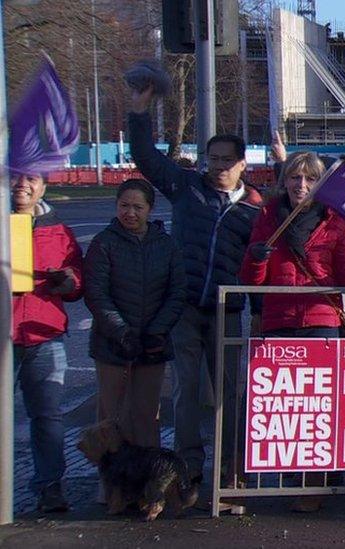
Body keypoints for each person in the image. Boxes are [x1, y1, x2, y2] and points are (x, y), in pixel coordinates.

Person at [129, 86, 263, 491]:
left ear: (242, 164)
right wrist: (139, 114)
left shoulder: (254, 208)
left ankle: (230, 467)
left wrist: (254, 306)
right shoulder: (187, 187)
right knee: (186, 392)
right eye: (213, 159)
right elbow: (147, 160)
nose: (219, 166)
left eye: (227, 160)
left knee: (228, 393)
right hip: (185, 307)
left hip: (227, 311)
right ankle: (189, 467)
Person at [239, 151, 345, 512]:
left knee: (320, 407)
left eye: (310, 179)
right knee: (286, 408)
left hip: (321, 321)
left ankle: (315, 483)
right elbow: (252, 281)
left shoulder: (334, 221)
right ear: (284, 181)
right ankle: (294, 476)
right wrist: (256, 258)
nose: (302, 185)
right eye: (295, 178)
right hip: (279, 320)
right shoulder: (269, 217)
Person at [84, 179, 185, 449]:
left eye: (137, 207)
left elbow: (177, 292)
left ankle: (147, 485)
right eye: (124, 206)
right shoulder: (103, 243)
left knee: (146, 416)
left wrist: (157, 331)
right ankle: (110, 486)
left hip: (154, 345)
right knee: (110, 418)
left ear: (150, 209)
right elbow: (95, 293)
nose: (130, 213)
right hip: (112, 344)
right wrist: (122, 332)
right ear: (116, 206)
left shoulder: (166, 245)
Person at [10, 171, 84, 512]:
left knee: (48, 416)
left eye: (31, 178)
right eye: (14, 177)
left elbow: (77, 283)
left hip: (44, 334)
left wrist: (68, 282)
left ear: (43, 185)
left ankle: (50, 486)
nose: (22, 184)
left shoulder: (59, 230)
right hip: (4, 334)